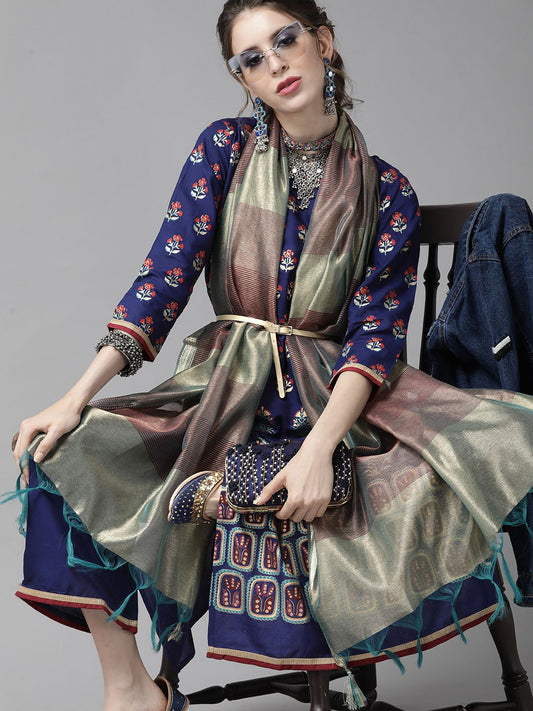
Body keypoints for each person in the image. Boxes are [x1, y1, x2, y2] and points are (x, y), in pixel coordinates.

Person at [9, 2, 533, 711]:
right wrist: (75, 397)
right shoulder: (223, 151)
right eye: (251, 58)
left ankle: (250, 508)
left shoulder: (388, 191)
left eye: (285, 40)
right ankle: (130, 690)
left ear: (323, 42)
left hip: (335, 399)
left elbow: (374, 337)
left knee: (492, 445)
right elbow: (163, 280)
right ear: (243, 80)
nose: (275, 62)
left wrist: (320, 447)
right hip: (223, 390)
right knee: (65, 452)